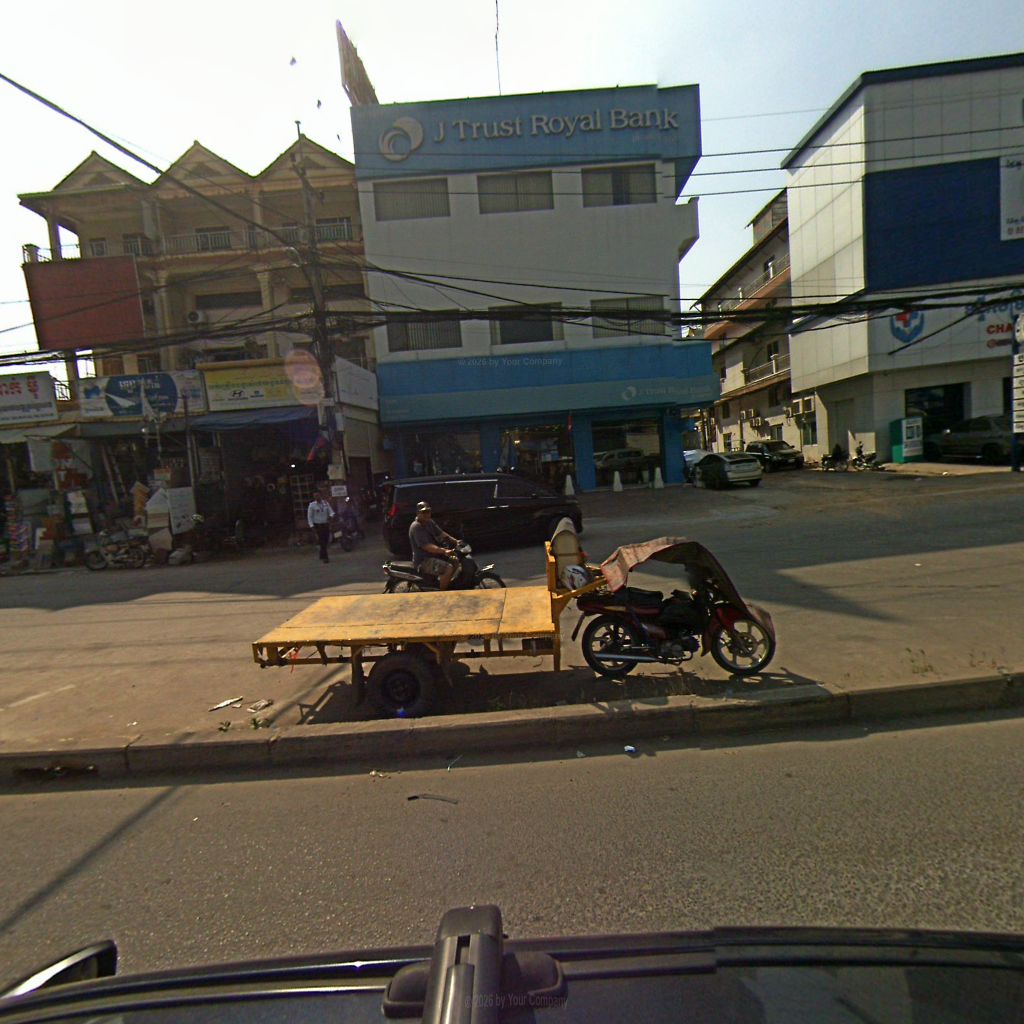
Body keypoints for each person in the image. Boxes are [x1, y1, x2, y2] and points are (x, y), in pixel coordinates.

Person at [408, 500, 460, 591]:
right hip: (423, 561)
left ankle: (444, 583)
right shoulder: (416, 527)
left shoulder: (429, 522)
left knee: (455, 560)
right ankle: (442, 593)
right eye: (424, 512)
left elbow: (441, 534)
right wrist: (444, 551)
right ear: (418, 513)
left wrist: (455, 541)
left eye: (428, 511)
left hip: (433, 556)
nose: (427, 514)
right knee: (448, 568)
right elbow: (427, 547)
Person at [307, 486, 334, 564]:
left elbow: (331, 512)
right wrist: (312, 527)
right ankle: (325, 557)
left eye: (317, 495)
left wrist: (331, 517)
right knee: (322, 541)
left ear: (320, 495)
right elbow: (309, 517)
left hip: (325, 524)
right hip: (318, 526)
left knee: (326, 540)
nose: (316, 497)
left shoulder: (325, 503)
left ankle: (321, 554)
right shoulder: (312, 505)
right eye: (315, 496)